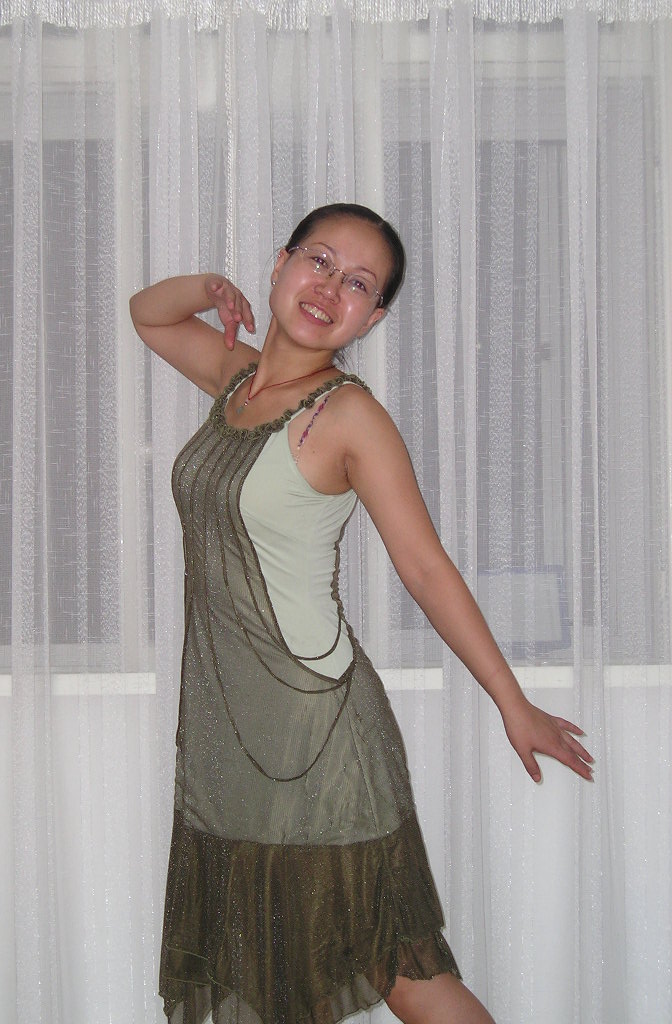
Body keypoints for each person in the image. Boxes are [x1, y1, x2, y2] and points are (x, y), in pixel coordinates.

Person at [130, 203, 593, 1024]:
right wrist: (209, 287)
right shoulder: (238, 379)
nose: (328, 287)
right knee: (256, 971)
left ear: (371, 318)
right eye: (319, 260)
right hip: (230, 744)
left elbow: (425, 567)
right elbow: (148, 315)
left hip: (318, 737)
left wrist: (511, 701)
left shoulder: (346, 417)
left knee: (399, 972)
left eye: (357, 283)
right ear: (281, 263)